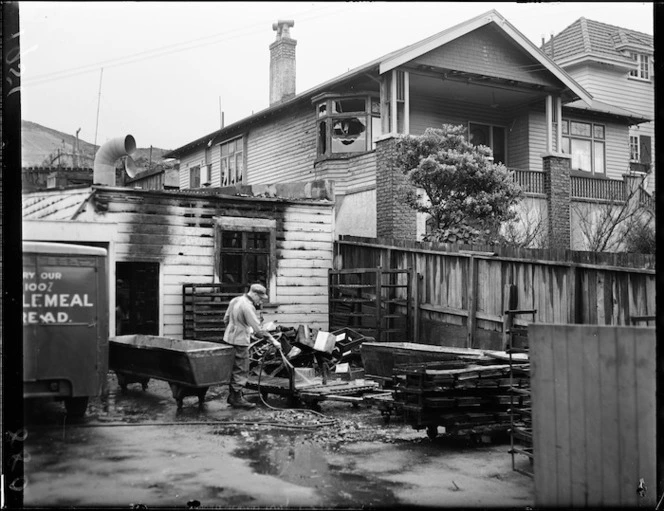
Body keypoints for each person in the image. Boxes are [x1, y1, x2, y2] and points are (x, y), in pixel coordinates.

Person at [221, 283, 279, 409]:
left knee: (233, 368)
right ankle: (236, 398)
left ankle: (234, 395)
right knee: (241, 369)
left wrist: (238, 331)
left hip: (228, 339)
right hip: (240, 342)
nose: (260, 300)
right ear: (254, 294)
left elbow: (225, 319)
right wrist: (273, 340)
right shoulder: (248, 306)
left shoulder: (235, 300)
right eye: (260, 297)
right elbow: (258, 330)